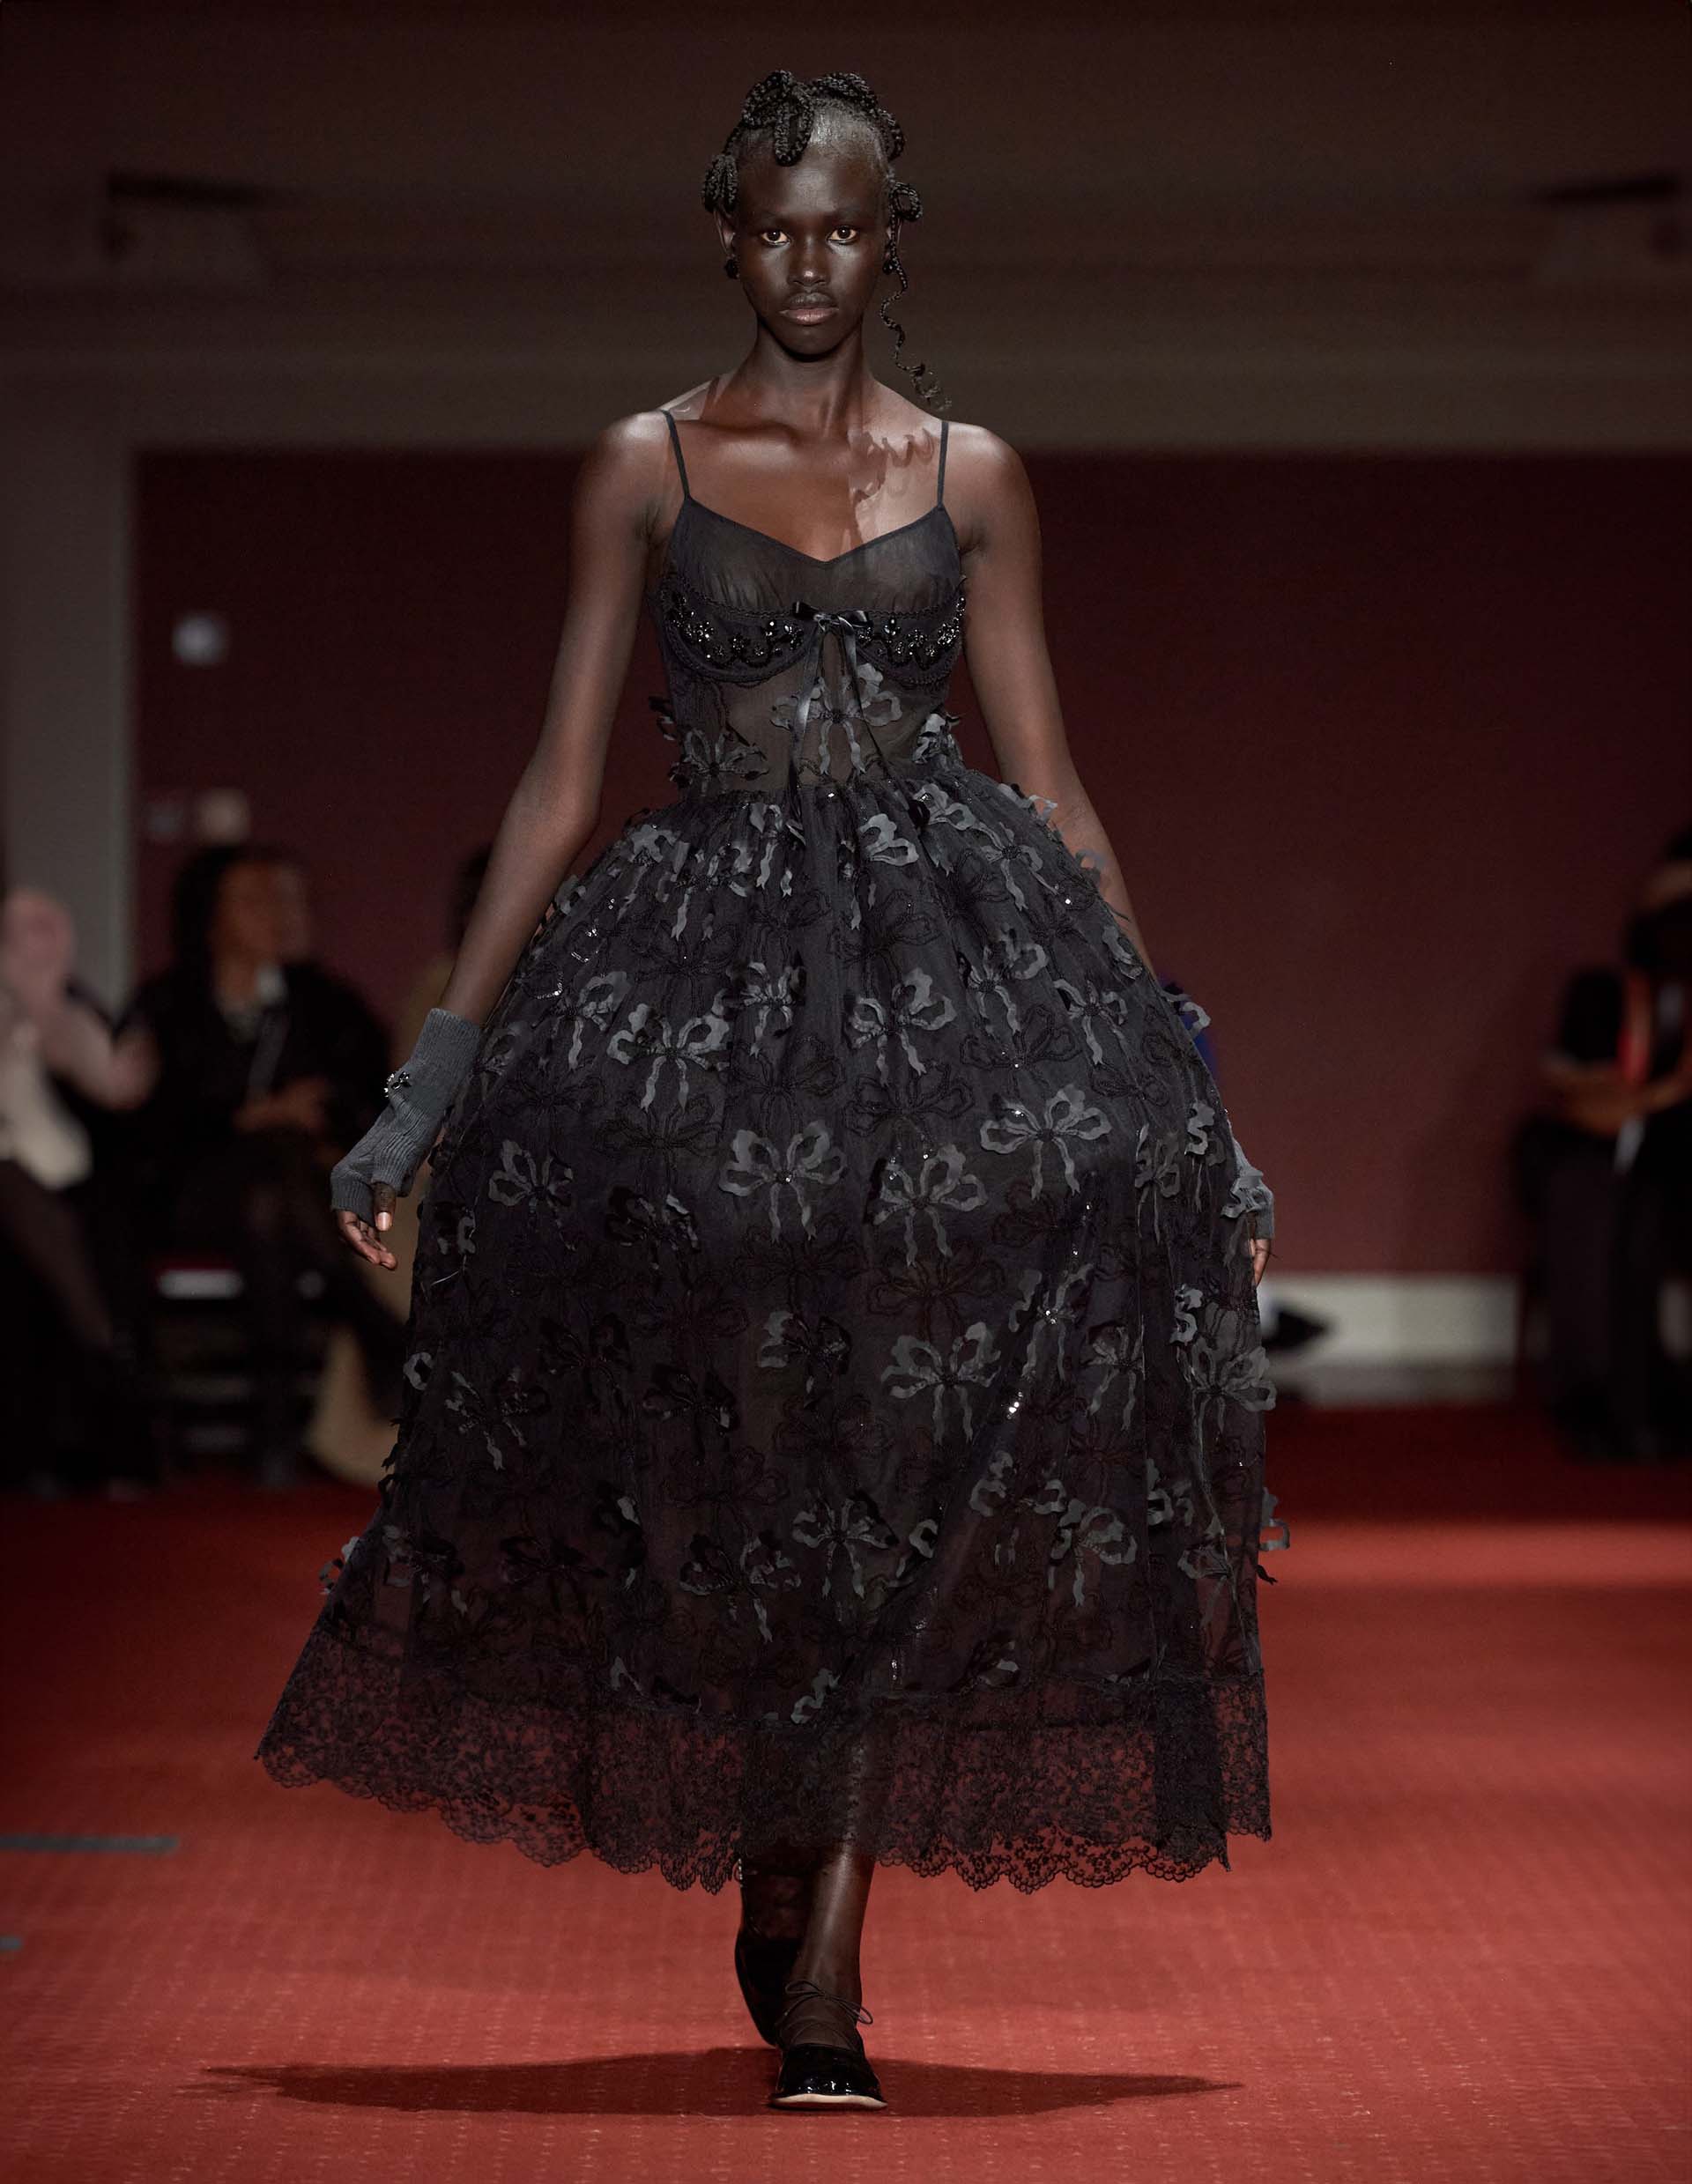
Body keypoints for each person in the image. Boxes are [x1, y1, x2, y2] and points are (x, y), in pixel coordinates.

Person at [256, 69, 1281, 2114]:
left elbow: (1057, 791)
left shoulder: (976, 477)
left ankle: (827, 1964)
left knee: (921, 1431)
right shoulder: (641, 464)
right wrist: (428, 1084)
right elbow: (557, 781)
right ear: (727, 237)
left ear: (893, 238)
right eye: (778, 226)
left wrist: (1184, 1076)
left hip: (949, 975)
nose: (812, 260)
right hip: (707, 987)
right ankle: (778, 1816)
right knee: (742, 1429)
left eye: (847, 225)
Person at [33, 845, 403, 1487]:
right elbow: (136, 1123)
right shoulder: (168, 1002)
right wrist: (246, 1116)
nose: (280, 914)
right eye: (257, 900)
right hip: (187, 1195)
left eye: (290, 899)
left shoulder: (327, 1003)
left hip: (290, 1194)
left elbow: (372, 1096)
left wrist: (314, 1118)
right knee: (268, 1168)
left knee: (270, 1193)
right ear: (211, 918)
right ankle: (366, 1328)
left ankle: (274, 1430)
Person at [1517, 824, 1692, 1462]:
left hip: (1668, 1171)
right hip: (1594, 1160)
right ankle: (1598, 1400)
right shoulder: (1605, 994)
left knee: (1643, 1213)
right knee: (1592, 1199)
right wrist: (1659, 1092)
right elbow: (1590, 1104)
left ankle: (1644, 1399)